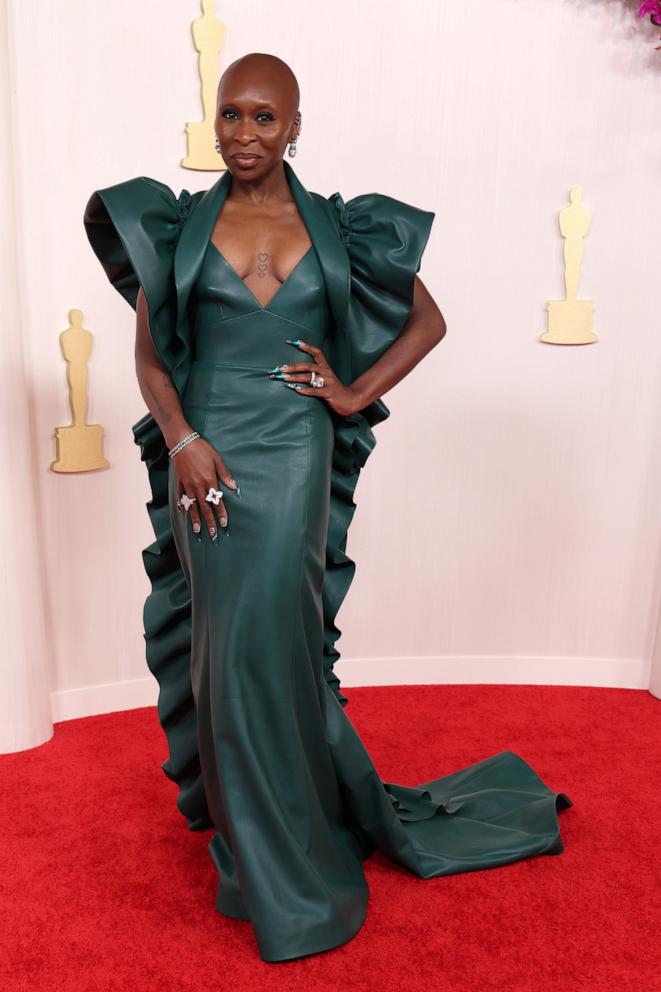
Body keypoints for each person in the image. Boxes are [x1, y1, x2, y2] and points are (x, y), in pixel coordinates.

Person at [83, 52, 573, 964]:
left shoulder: (342, 229)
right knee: (226, 654)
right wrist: (184, 442)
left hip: (297, 453)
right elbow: (151, 359)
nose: (243, 134)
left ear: (295, 127)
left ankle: (290, 842)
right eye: (230, 115)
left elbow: (428, 321)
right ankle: (255, 853)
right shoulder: (178, 225)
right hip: (209, 457)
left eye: (264, 118)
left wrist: (348, 394)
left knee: (282, 641)